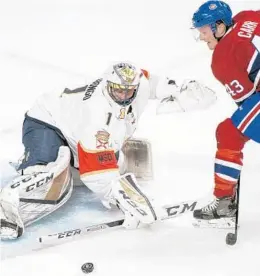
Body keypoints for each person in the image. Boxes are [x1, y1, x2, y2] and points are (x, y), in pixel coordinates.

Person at [0, 61, 216, 239]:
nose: (124, 95)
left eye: (128, 91)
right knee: (47, 173)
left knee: (104, 166)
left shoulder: (137, 83)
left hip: (74, 127)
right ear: (107, 85)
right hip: (47, 120)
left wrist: (182, 89)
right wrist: (121, 199)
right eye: (118, 90)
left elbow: (153, 81)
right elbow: (98, 174)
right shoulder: (97, 115)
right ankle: (7, 202)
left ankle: (70, 161)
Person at [191, 1, 260, 226]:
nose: (201, 37)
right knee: (229, 132)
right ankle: (223, 199)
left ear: (220, 27)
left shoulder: (221, 60)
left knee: (230, 132)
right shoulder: (244, 18)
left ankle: (224, 201)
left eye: (203, 31)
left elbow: (247, 101)